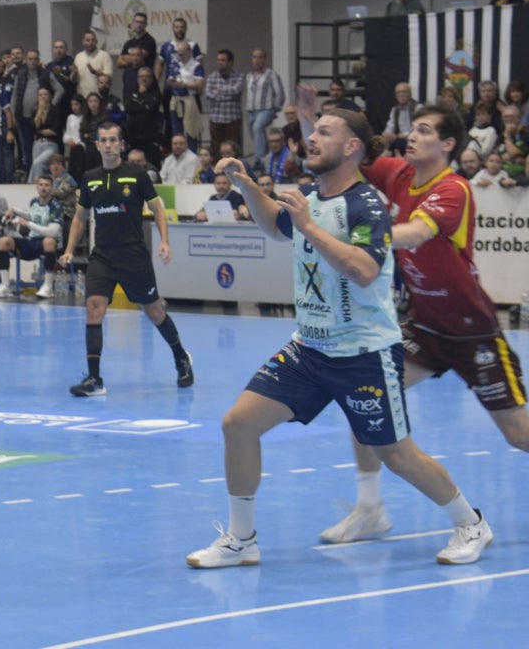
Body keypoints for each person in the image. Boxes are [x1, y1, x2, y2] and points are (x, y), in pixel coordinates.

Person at [187, 110, 493, 569]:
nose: (312, 138)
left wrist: (310, 226)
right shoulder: (311, 193)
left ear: (352, 147)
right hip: (308, 348)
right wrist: (250, 186)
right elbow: (276, 227)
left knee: (397, 454)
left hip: (364, 352)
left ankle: (471, 523)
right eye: (314, 131)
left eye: (324, 133)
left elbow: (366, 270)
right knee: (238, 424)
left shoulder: (366, 204)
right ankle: (241, 539)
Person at [316, 99, 529, 544]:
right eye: (413, 127)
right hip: (423, 329)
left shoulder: (455, 189)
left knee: (517, 434)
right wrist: (308, 120)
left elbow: (415, 232)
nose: (413, 135)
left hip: (473, 333)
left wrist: (359, 237)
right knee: (364, 398)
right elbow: (343, 155)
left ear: (449, 144)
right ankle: (370, 509)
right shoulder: (396, 172)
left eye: (426, 131)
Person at [60, 122, 193, 394]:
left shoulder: (137, 174)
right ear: (96, 145)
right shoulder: (90, 178)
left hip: (134, 256)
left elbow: (158, 209)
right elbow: (80, 217)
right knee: (94, 309)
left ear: (120, 144)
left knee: (154, 311)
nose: (108, 145)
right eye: (103, 140)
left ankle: (181, 357)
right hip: (102, 257)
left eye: (113, 140)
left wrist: (165, 241)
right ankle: (95, 380)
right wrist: (70, 248)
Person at [0, 175, 63, 300]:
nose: (43, 188)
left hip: (47, 243)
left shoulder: (56, 206)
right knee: (3, 242)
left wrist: (28, 224)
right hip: (31, 241)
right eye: (41, 185)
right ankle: (5, 286)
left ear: (51, 188)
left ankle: (48, 286)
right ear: (37, 186)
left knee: (49, 241)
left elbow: (53, 232)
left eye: (46, 185)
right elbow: (32, 216)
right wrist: (15, 210)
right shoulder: (34, 201)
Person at [244, 48, 286, 168]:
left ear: (265, 59)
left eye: (260, 57)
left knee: (258, 128)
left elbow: (280, 93)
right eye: (255, 57)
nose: (257, 60)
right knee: (255, 133)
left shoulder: (271, 74)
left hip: (266, 108)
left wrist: (275, 109)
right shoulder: (249, 75)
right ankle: (267, 157)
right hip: (252, 110)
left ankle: (259, 159)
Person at [203, 49, 244, 158]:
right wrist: (227, 93)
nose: (219, 62)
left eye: (223, 60)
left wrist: (218, 90)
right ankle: (218, 170)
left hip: (233, 118)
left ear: (230, 62)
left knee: (234, 147)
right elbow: (208, 94)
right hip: (216, 118)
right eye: (218, 60)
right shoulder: (212, 76)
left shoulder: (238, 75)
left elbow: (236, 90)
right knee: (216, 148)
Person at [124, 64, 164, 168]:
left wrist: (141, 97)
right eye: (141, 76)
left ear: (151, 78)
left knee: (152, 164)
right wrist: (142, 99)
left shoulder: (156, 93)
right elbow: (128, 107)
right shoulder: (132, 92)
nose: (144, 79)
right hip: (134, 136)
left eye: (146, 76)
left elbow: (151, 106)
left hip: (150, 136)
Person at [381, 82, 420, 156]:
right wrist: (387, 135)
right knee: (383, 143)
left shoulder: (417, 108)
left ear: (410, 94)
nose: (401, 95)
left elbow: (418, 129)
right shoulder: (395, 109)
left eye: (404, 92)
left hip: (415, 140)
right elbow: (390, 126)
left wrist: (400, 136)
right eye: (398, 93)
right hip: (401, 141)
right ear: (395, 96)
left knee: (398, 145)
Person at [72, 29, 112, 100]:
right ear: (83, 42)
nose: (90, 43)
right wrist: (75, 73)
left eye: (92, 40)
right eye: (87, 40)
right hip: (82, 95)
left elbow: (108, 76)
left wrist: (95, 72)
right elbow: (74, 80)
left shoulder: (104, 55)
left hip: (98, 97)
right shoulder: (78, 56)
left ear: (96, 42)